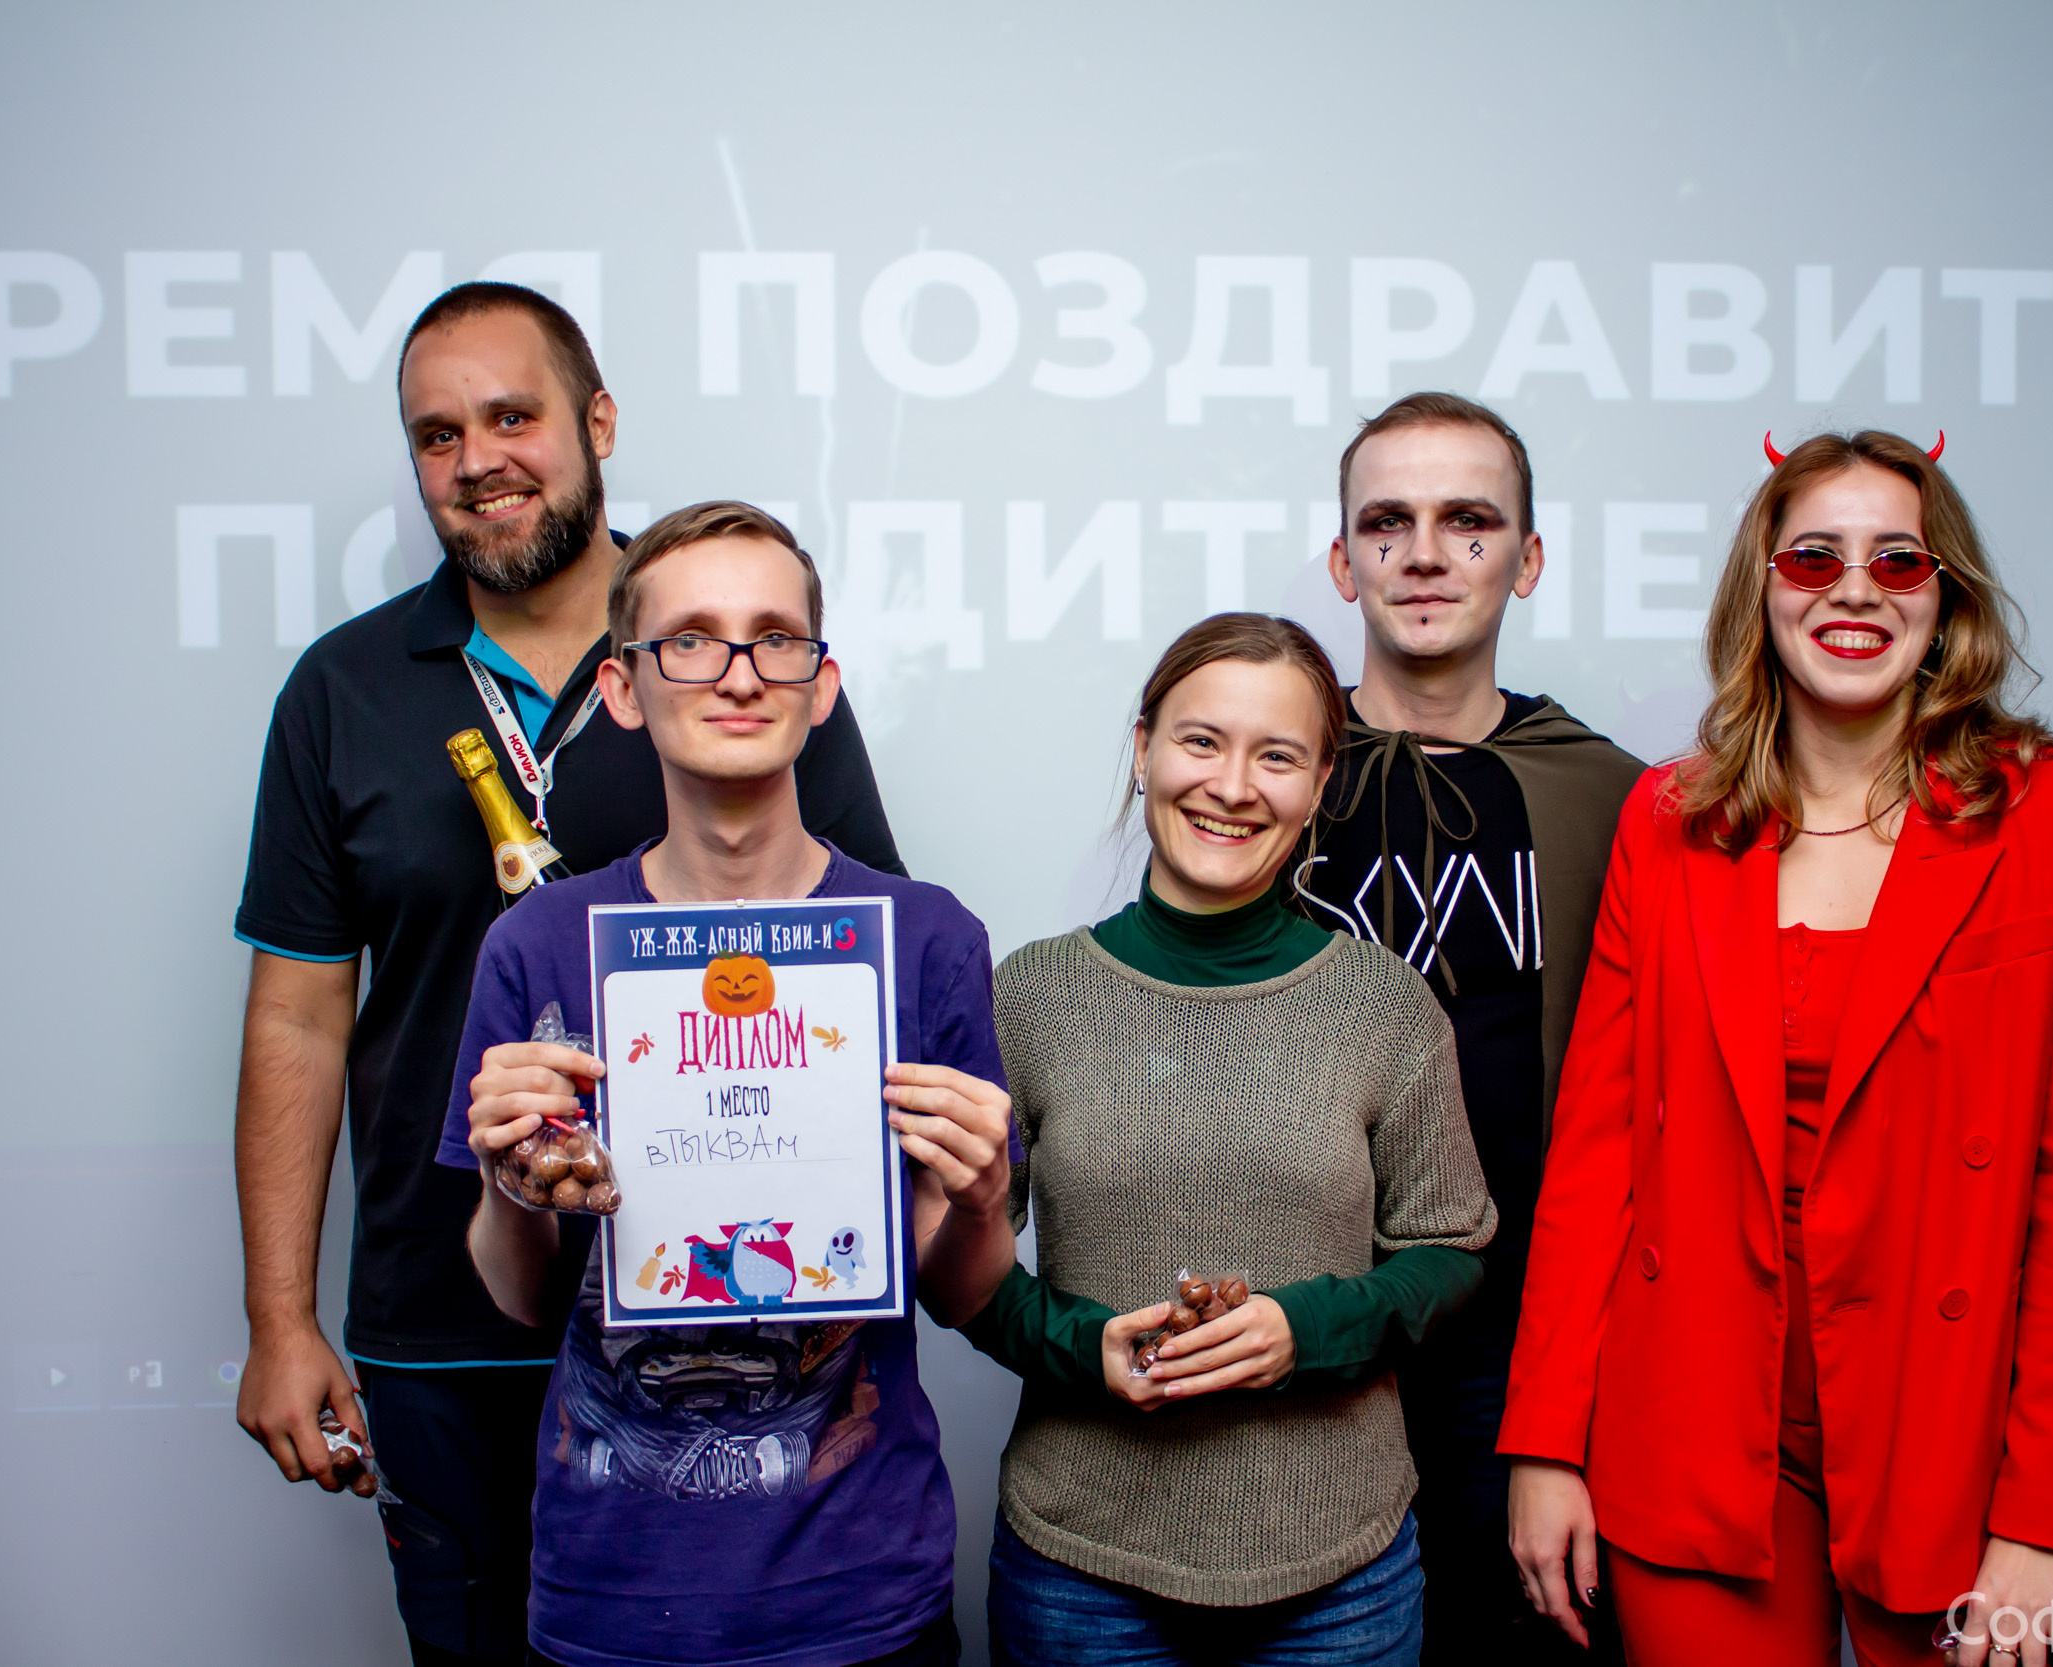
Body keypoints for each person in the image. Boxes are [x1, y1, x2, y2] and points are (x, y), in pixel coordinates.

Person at [230, 283, 902, 1666]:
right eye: (437, 434)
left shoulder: (735, 654)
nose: (477, 459)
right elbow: (297, 1018)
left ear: (598, 423)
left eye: (511, 416)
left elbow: (858, 956)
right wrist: (279, 1318)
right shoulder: (342, 689)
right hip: (442, 1303)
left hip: (727, 1304)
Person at [1504, 431, 2053, 1667]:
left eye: (1896, 560)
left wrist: (2044, 1517)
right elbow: (1596, 1151)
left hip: (1950, 1430)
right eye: (1813, 556)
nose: (1854, 588)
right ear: (1762, 588)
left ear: (1945, 597)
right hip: (1692, 1422)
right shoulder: (1669, 818)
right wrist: (1545, 1438)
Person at [446, 499, 1014, 1666]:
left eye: (775, 639)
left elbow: (961, 1293)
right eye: (692, 640)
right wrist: (510, 1184)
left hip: (860, 1586)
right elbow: (519, 1296)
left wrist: (982, 1192)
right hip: (610, 1587)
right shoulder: (540, 945)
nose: (740, 673)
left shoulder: (925, 938)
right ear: (623, 688)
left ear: (822, 684)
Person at [963, 612, 1498, 1667]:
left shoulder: (1384, 1007)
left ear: (1320, 783)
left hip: (1340, 1579)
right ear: (1143, 749)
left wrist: (1308, 1329)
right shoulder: (1030, 996)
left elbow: (1451, 1249)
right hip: (1081, 1570)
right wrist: (1079, 1347)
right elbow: (955, 1267)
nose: (1233, 785)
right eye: (1201, 740)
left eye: (1278, 756)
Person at [1289, 391, 1643, 1663]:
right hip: (1305, 1305)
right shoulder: (1264, 773)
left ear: (1527, 558)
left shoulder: (1611, 794)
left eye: (1469, 521)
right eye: (1386, 521)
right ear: (1343, 562)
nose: (1425, 552)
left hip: (1521, 1326)